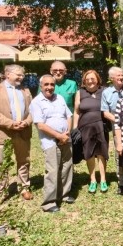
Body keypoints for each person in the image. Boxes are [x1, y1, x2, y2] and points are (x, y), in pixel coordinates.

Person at [0, 64, 34, 200]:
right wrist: (10, 124)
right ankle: (0, 191)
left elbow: (33, 110)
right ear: (7, 74)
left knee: (24, 161)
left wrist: (27, 122)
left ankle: (24, 187)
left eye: (22, 75)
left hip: (23, 132)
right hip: (2, 133)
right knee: (1, 164)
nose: (21, 77)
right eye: (18, 74)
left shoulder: (25, 90)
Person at [29, 74, 74, 213]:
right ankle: (49, 202)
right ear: (41, 86)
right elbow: (40, 125)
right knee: (53, 170)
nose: (49, 87)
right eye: (46, 84)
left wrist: (67, 133)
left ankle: (64, 194)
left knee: (67, 166)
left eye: (52, 84)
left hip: (65, 138)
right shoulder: (36, 102)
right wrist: (59, 136)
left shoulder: (59, 98)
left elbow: (69, 115)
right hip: (50, 141)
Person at [73, 70, 109, 194]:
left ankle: (103, 179)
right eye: (87, 79)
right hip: (85, 127)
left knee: (101, 153)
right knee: (89, 153)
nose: (90, 81)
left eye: (92, 78)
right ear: (84, 81)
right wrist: (74, 128)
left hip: (100, 126)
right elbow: (77, 111)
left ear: (97, 80)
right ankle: (93, 180)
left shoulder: (104, 91)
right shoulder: (80, 92)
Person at [101, 66, 123, 194]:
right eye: (118, 75)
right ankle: (122, 182)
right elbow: (105, 112)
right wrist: (119, 121)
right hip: (117, 127)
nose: (121, 77)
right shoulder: (106, 93)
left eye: (122, 74)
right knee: (119, 154)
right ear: (112, 78)